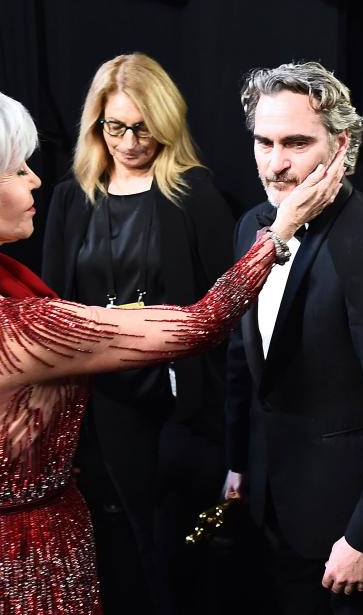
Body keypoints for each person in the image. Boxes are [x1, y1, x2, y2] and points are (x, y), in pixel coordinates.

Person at [0, 67, 341, 614]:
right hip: (27, 571)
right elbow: (202, 323)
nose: (33, 181)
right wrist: (282, 229)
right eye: (14, 170)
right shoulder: (10, 330)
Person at [223, 61, 363, 614]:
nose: (277, 164)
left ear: (341, 145)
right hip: (274, 507)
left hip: (348, 528)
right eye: (265, 142)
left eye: (296, 143)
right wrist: (239, 462)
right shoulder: (252, 224)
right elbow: (245, 363)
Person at [41, 53, 234, 613]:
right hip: (106, 402)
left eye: (142, 127)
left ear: (166, 122)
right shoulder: (70, 197)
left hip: (183, 401)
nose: (129, 140)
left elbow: (226, 303)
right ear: (96, 125)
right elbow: (54, 309)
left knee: (183, 545)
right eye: (115, 126)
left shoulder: (194, 193)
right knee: (136, 541)